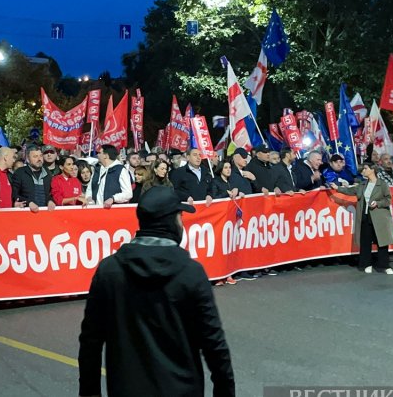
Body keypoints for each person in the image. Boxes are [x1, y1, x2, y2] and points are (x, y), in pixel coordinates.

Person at [78, 186, 235, 397]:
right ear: (170, 221)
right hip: (182, 389)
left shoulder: (109, 271)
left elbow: (90, 343)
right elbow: (214, 345)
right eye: (180, 217)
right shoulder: (191, 272)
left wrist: (89, 393)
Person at [330, 161, 393, 274]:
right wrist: (337, 188)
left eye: (365, 168)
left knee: (382, 242)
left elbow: (388, 199)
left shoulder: (382, 184)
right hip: (365, 216)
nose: (363, 171)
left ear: (372, 170)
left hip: (379, 217)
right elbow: (350, 191)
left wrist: (378, 203)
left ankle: (384, 265)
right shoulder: (362, 184)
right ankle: (366, 263)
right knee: (365, 242)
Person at [12, 145, 55, 211]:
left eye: (40, 156)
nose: (39, 159)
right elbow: (14, 194)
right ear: (28, 159)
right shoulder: (20, 173)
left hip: (45, 213)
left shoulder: (47, 173)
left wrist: (50, 201)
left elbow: (51, 193)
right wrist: (28, 203)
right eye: (35, 156)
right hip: (27, 214)